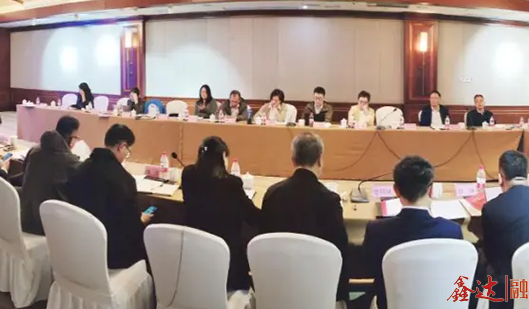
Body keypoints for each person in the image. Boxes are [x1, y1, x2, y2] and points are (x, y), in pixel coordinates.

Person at [363, 156, 462, 309]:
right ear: (430, 190)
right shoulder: (452, 231)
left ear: (396, 190)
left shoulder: (376, 230)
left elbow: (368, 270)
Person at [260, 132, 349, 304]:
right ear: (320, 159)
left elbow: (264, 241)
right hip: (317, 292)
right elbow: (340, 252)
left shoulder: (272, 194)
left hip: (278, 289)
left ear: (293, 160)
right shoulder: (329, 200)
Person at [472, 150, 529, 309]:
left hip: (511, 288)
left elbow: (491, 256)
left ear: (500, 179)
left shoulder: (492, 208)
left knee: (477, 259)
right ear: (528, 177)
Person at [67, 124, 151, 269]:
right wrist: (140, 219)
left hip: (80, 247)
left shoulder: (81, 168)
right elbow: (132, 226)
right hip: (111, 255)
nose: (126, 155)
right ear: (122, 147)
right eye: (128, 151)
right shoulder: (124, 180)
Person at [181, 136, 260, 292]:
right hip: (226, 260)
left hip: (195, 254)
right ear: (223, 157)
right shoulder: (232, 183)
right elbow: (252, 216)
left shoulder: (188, 174)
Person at [21, 116, 82, 236]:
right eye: (76, 138)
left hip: (25, 216)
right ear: (70, 139)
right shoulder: (69, 161)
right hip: (46, 225)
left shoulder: (34, 150)